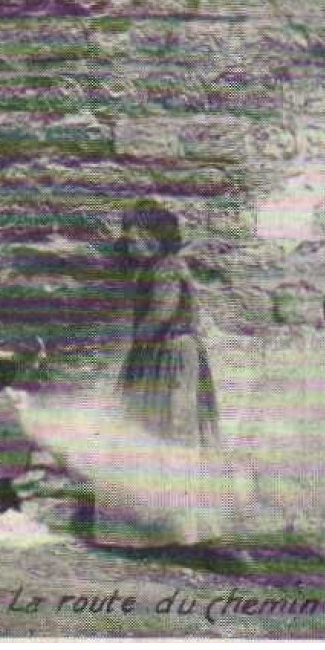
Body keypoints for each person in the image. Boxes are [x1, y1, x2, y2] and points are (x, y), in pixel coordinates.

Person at [90, 197, 227, 551]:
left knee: (167, 433)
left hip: (170, 358)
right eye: (129, 239)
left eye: (137, 238)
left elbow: (162, 313)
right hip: (161, 355)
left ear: (156, 238)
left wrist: (139, 340)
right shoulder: (155, 268)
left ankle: (172, 527)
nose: (130, 245)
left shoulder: (166, 268)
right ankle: (152, 525)